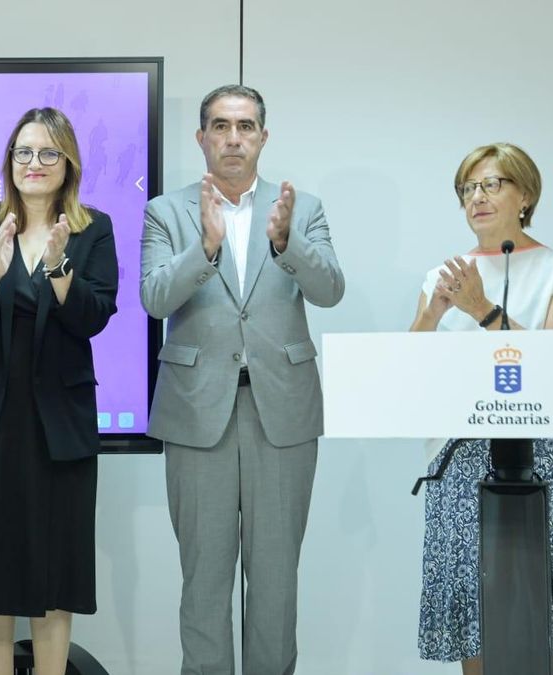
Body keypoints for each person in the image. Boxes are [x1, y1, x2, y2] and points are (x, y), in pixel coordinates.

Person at [140, 85, 344, 675]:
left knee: (276, 580)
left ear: (263, 136)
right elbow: (154, 299)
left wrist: (288, 244)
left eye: (246, 126)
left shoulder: (300, 209)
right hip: (196, 413)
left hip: (281, 413)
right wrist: (204, 248)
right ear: (201, 136)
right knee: (203, 579)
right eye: (221, 126)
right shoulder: (166, 210)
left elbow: (330, 291)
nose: (234, 138)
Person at [0, 107, 118, 675]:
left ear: (69, 164)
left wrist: (59, 266)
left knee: (53, 571)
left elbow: (94, 317)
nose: (33, 164)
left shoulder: (93, 229)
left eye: (47, 154)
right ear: (8, 161)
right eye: (23, 153)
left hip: (54, 427)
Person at [411, 142, 553, 674]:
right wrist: (436, 312)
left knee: (545, 583)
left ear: (526, 195)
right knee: (473, 592)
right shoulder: (442, 275)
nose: (477, 198)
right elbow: (406, 368)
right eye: (468, 188)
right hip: (457, 454)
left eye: (492, 184)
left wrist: (482, 309)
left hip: (537, 453)